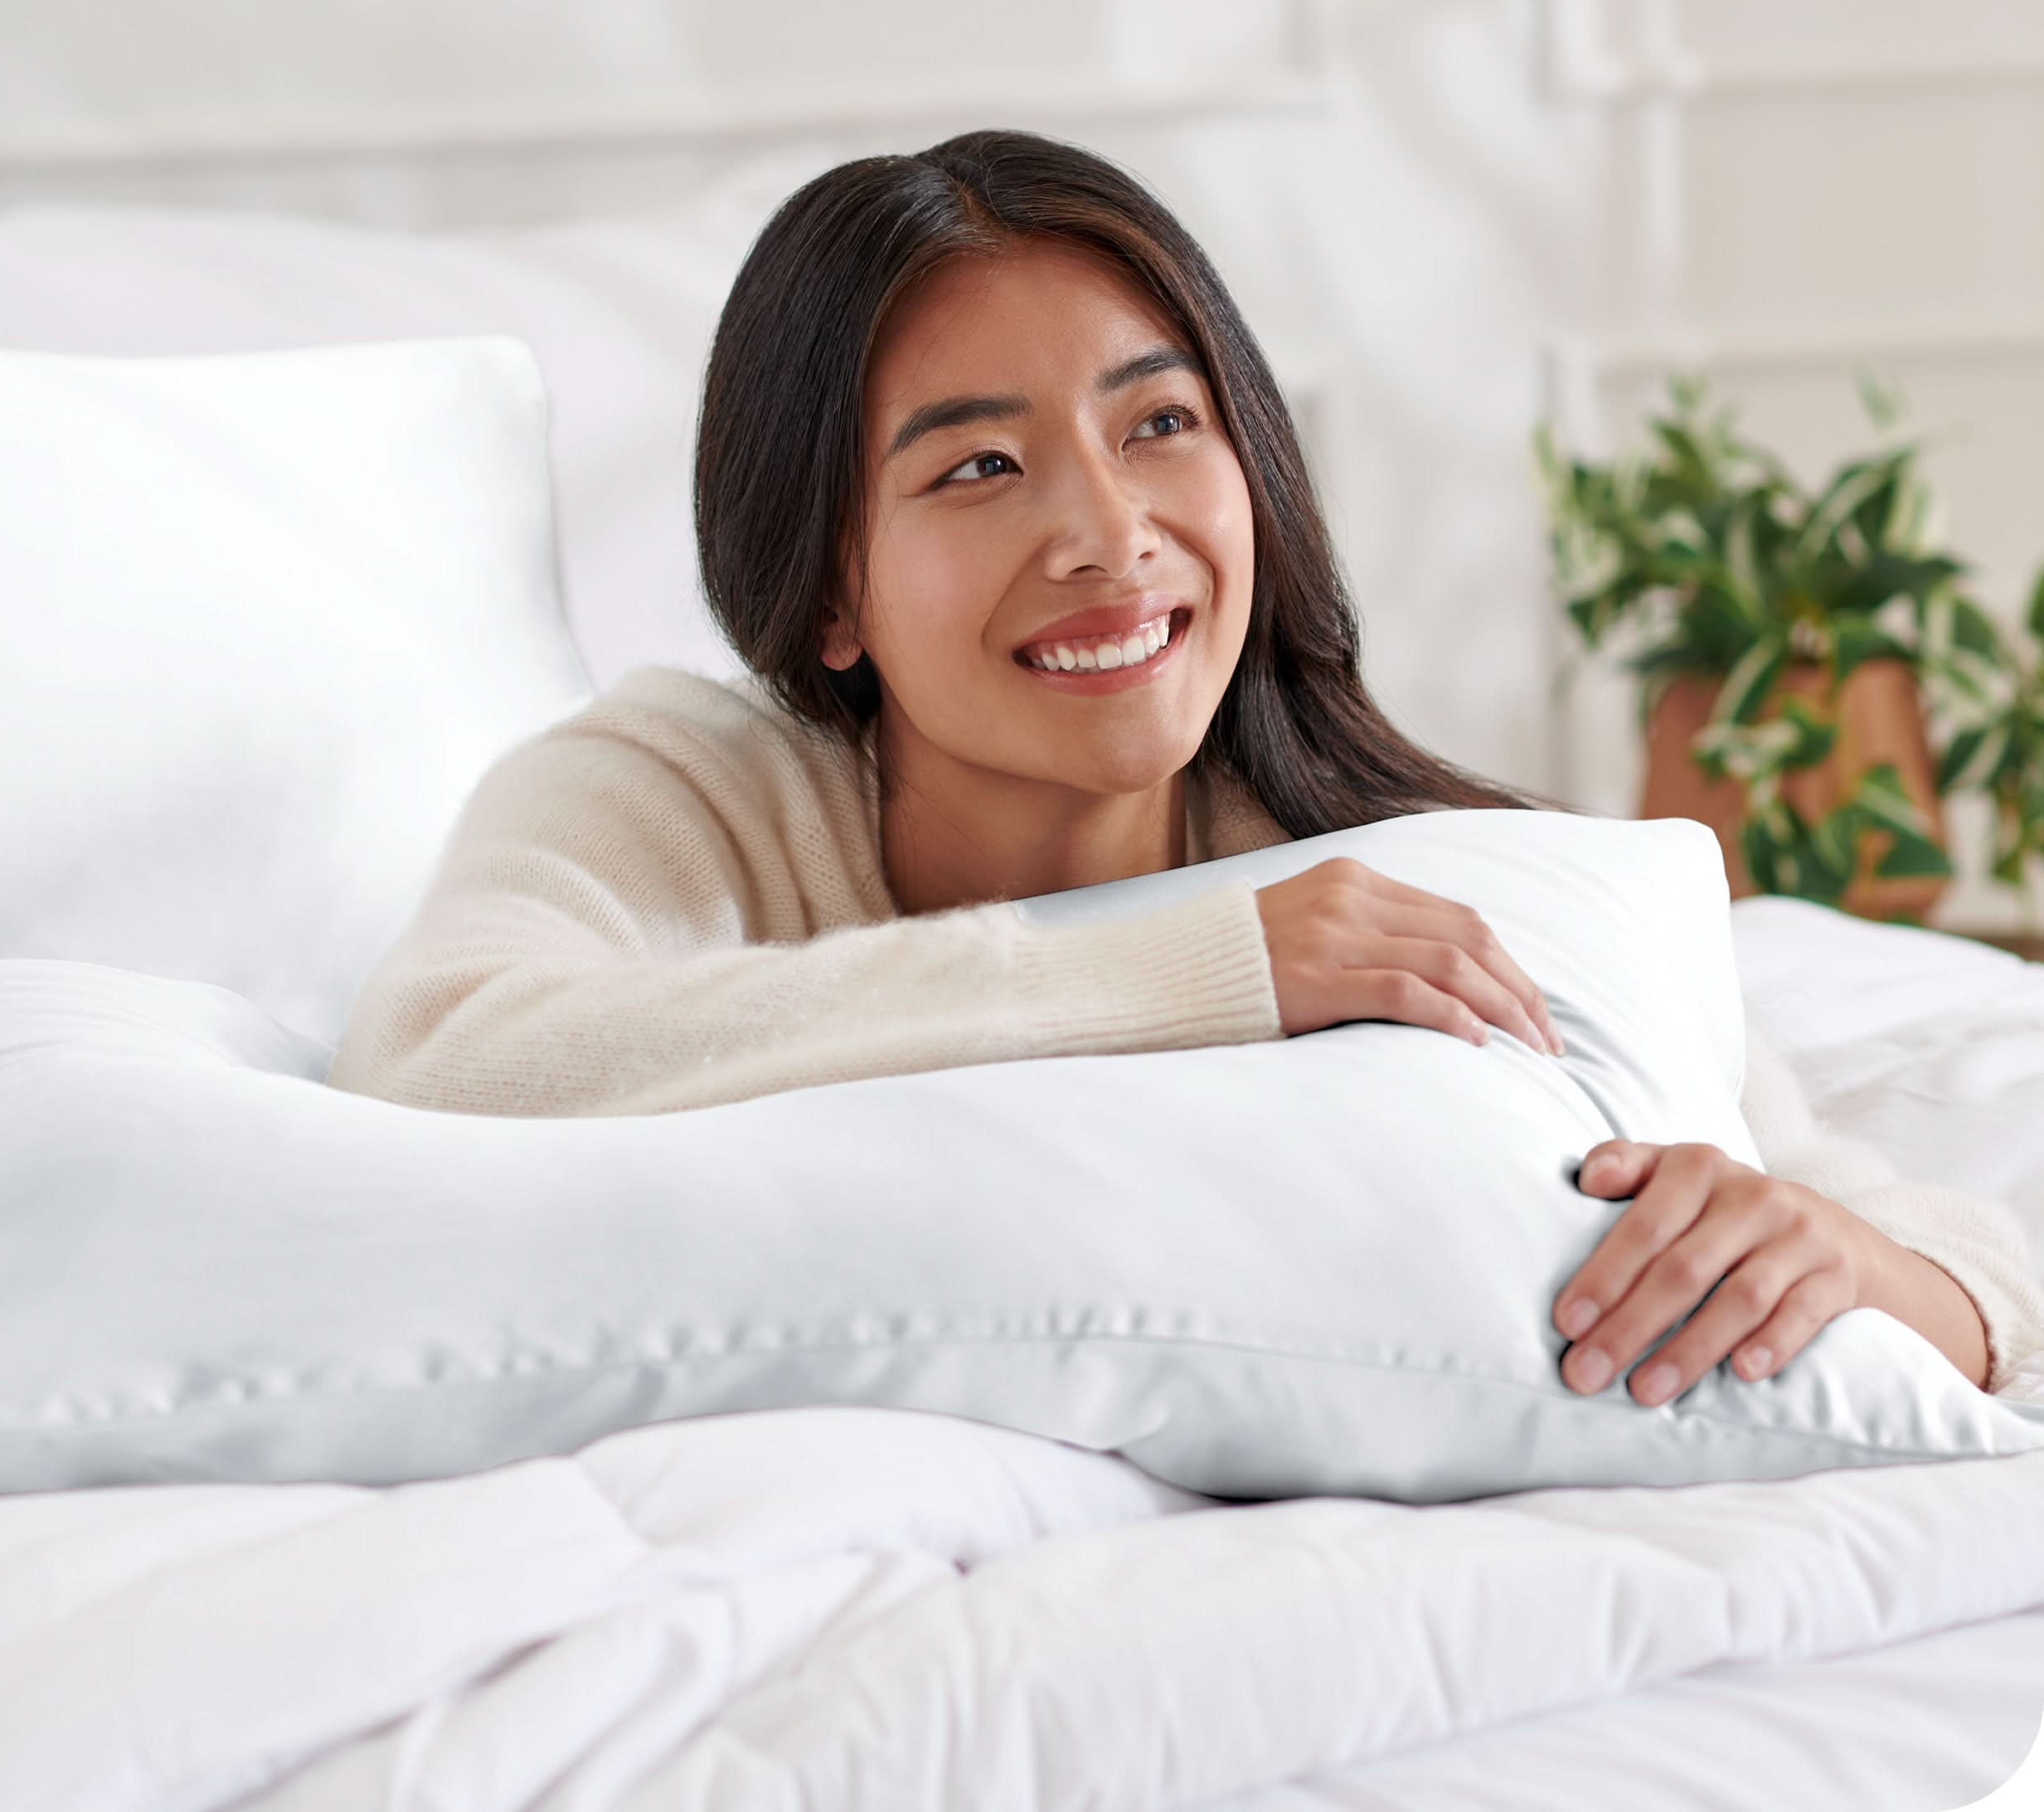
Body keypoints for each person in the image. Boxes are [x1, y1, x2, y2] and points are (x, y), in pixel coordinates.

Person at [325, 129, 2044, 1402]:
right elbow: (439, 1057)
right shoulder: (687, 784)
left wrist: (1858, 1266)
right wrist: (1194, 973)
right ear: (829, 583)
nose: (1105, 533)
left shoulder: (1413, 866)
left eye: (1158, 425)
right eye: (978, 466)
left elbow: (1948, 1261)